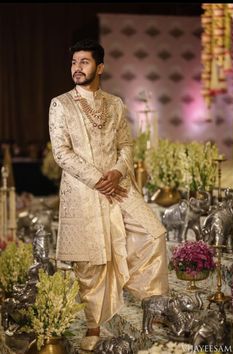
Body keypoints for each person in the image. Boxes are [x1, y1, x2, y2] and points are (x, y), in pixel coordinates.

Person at [49, 38, 169, 351]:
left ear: (100, 67)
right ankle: (93, 327)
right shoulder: (60, 104)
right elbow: (61, 152)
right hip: (84, 191)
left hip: (119, 186)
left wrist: (117, 171)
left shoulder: (115, 104)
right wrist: (97, 179)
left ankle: (150, 306)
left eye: (84, 62)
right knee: (92, 264)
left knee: (153, 233)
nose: (77, 68)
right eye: (74, 62)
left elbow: (127, 146)